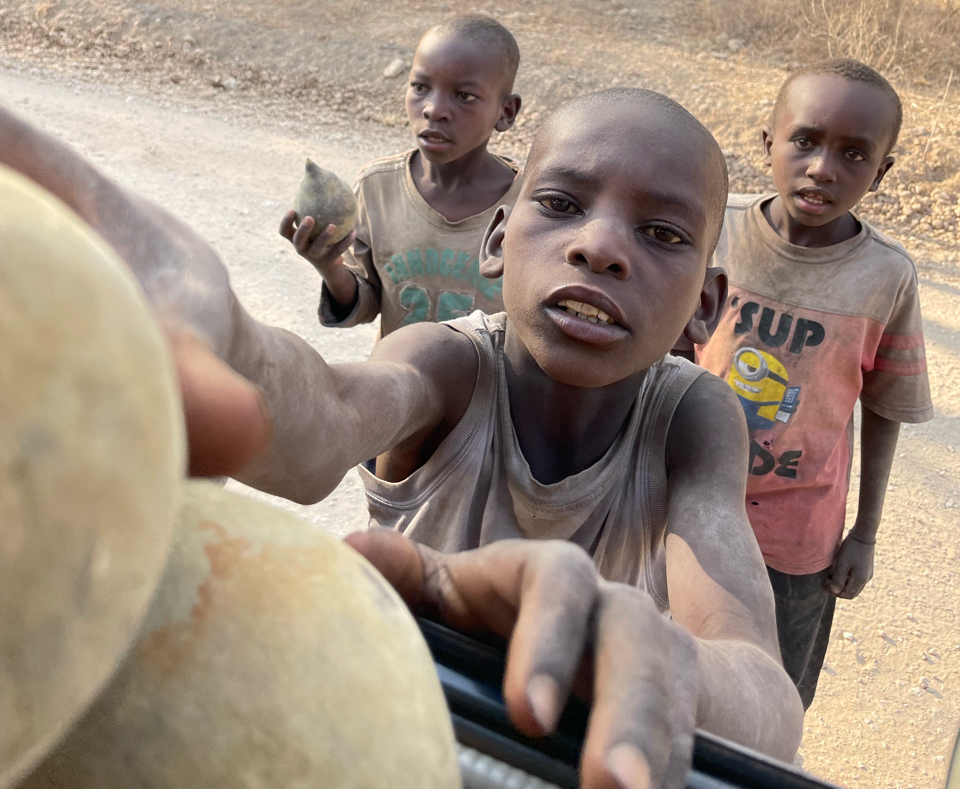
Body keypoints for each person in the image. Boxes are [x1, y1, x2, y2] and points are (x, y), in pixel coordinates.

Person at [0, 92, 804, 782]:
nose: (599, 246)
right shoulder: (448, 362)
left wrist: (670, 665)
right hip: (385, 720)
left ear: (708, 304)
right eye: (560, 204)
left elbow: (764, 692)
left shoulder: (694, 420)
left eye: (662, 234)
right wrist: (229, 337)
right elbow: (325, 418)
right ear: (496, 242)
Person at [694, 58, 933, 711]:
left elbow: (887, 408)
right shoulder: (714, 231)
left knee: (770, 700)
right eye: (805, 140)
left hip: (796, 543)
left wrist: (866, 533)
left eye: (854, 154)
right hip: (683, 502)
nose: (824, 168)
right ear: (768, 141)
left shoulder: (885, 278)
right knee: (660, 666)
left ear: (881, 174)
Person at [280, 14, 522, 335]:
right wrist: (329, 266)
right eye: (420, 87)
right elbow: (366, 303)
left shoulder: (529, 204)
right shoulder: (377, 188)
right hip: (401, 381)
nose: (433, 109)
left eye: (464, 96)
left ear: (505, 113)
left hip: (493, 386)